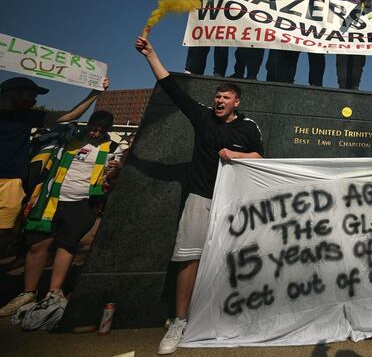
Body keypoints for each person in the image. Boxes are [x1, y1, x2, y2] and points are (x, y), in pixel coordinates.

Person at [134, 36, 263, 355]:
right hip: (200, 199)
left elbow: (262, 158)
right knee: (188, 259)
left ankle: (219, 314)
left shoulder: (249, 128)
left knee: (231, 261)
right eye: (217, 95)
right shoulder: (203, 117)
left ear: (237, 103)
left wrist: (237, 155)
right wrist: (151, 54)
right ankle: (180, 320)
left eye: (226, 97)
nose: (219, 100)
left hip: (234, 205)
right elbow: (172, 88)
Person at [0, 111, 122, 323]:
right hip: (51, 197)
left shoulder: (112, 148)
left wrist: (115, 170)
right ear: (89, 124)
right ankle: (28, 292)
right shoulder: (70, 138)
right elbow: (59, 126)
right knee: (38, 244)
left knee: (67, 245)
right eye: (93, 128)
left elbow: (110, 178)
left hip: (82, 201)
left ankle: (53, 292)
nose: (95, 133)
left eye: (101, 130)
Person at [1, 76, 109, 257]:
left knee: (5, 233)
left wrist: (96, 92)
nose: (34, 101)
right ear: (11, 93)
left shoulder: (29, 116)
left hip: (11, 183)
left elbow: (71, 115)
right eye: (30, 96)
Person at [321, 0, 371, 90]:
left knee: (357, 66)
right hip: (342, 34)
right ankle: (342, 90)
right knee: (342, 66)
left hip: (359, 34)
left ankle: (355, 90)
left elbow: (368, 6)